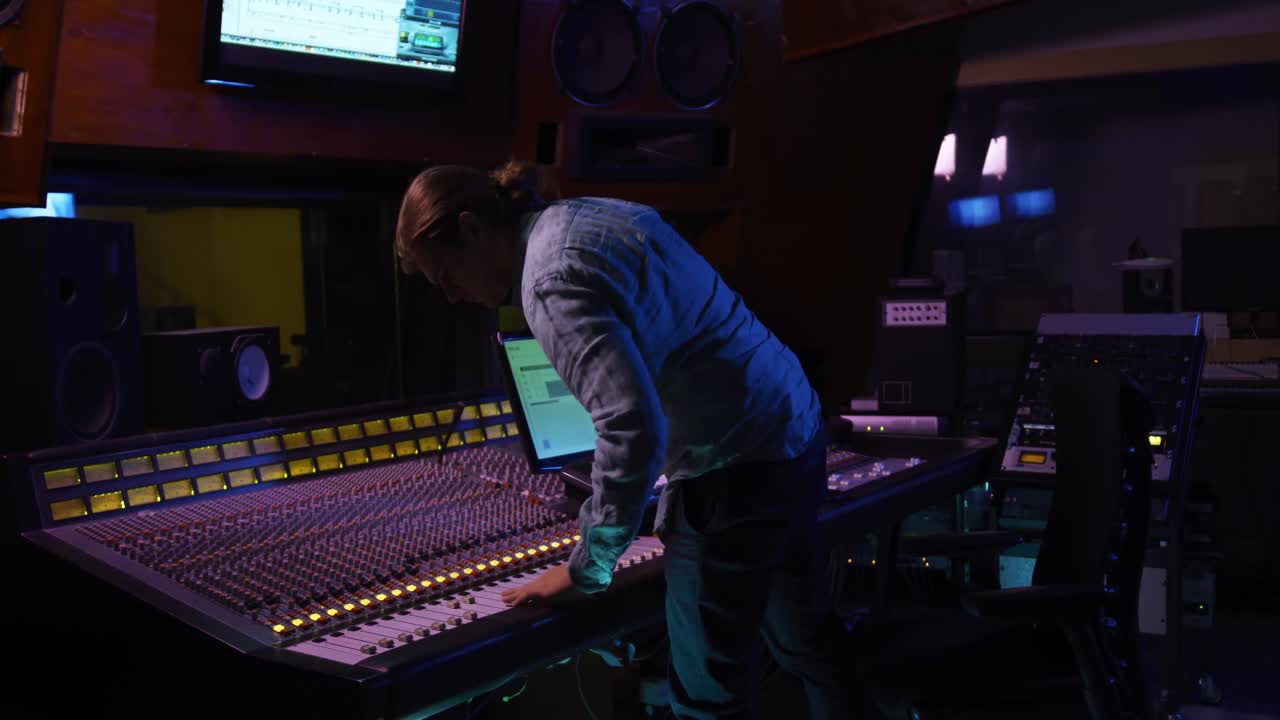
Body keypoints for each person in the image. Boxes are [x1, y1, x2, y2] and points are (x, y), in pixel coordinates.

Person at [396, 161, 851, 719]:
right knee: (811, 647)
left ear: (471, 229)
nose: (451, 296)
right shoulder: (583, 214)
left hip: (730, 471)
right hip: (792, 431)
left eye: (445, 275)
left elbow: (630, 426)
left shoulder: (546, 280)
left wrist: (586, 569)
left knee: (710, 701)